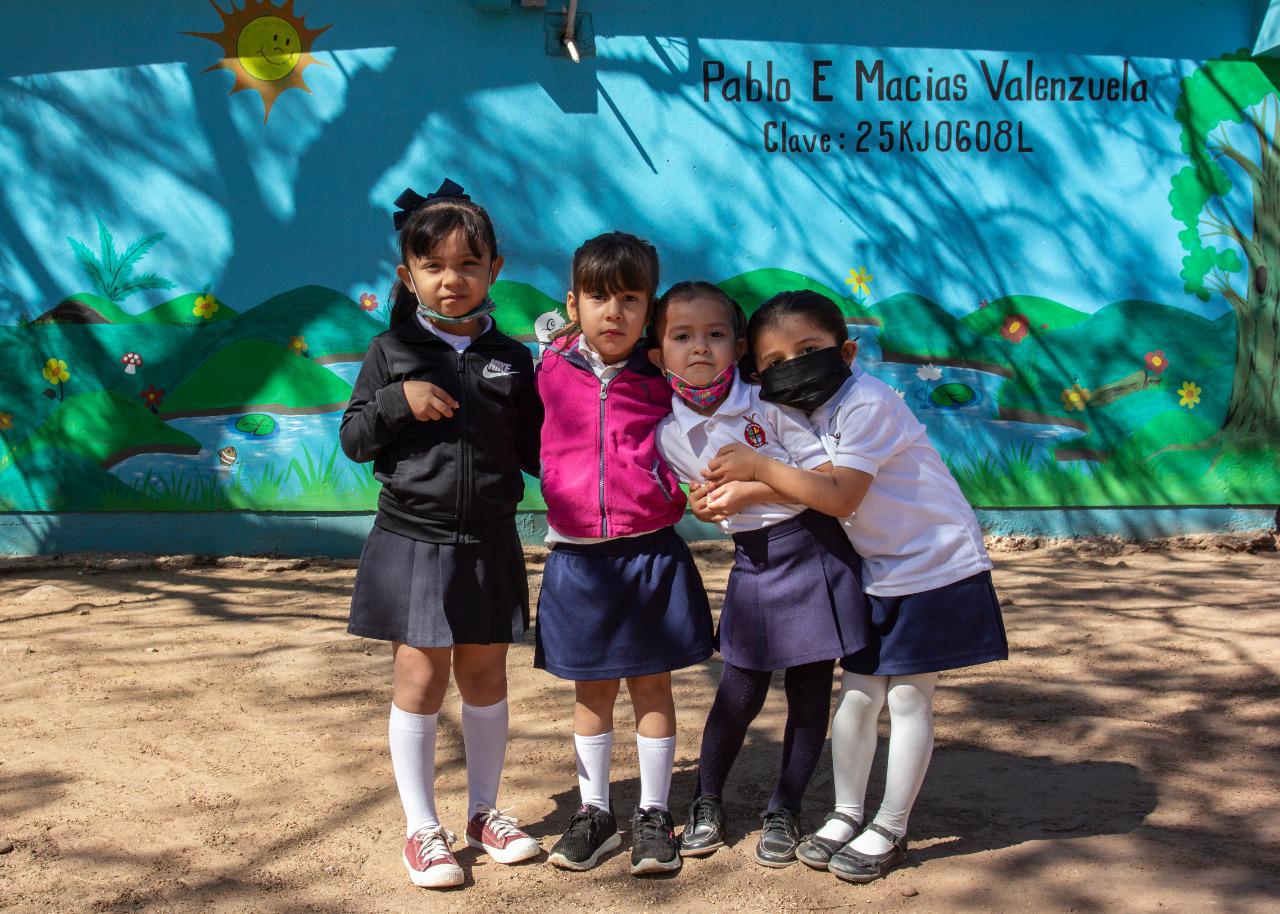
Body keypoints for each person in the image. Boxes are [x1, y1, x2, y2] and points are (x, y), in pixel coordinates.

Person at [702, 289, 1008, 884]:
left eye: (809, 350)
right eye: (773, 362)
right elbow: (813, 481)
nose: (792, 366)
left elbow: (840, 494)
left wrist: (759, 471)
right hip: (878, 571)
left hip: (933, 565)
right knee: (860, 697)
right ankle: (846, 813)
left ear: (846, 350)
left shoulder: (867, 400)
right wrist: (746, 489)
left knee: (910, 697)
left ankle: (890, 824)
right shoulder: (802, 411)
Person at [339, 180, 544, 889]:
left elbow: (539, 451)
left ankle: (485, 813)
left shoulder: (514, 360)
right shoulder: (391, 349)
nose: (450, 279)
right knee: (421, 677)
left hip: (490, 541)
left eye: (467, 263)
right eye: (433, 266)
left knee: (485, 677)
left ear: (495, 268)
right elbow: (355, 440)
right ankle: (422, 829)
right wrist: (398, 400)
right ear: (408, 276)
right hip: (413, 542)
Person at [650, 281, 868, 869]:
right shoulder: (670, 434)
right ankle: (706, 800)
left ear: (738, 346)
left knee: (808, 690)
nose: (701, 349)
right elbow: (701, 497)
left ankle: (785, 808)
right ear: (658, 355)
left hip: (814, 552)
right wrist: (704, 505)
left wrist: (751, 484)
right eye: (683, 336)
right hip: (754, 560)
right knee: (739, 689)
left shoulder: (770, 403)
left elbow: (822, 481)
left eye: (716, 335)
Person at [535, 234, 713, 877]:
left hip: (649, 557)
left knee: (652, 685)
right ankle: (595, 814)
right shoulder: (549, 365)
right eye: (598, 297)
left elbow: (710, 421)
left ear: (650, 310)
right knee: (592, 691)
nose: (613, 312)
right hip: (578, 560)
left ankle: (654, 814)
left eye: (630, 299)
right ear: (574, 302)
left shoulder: (659, 375)